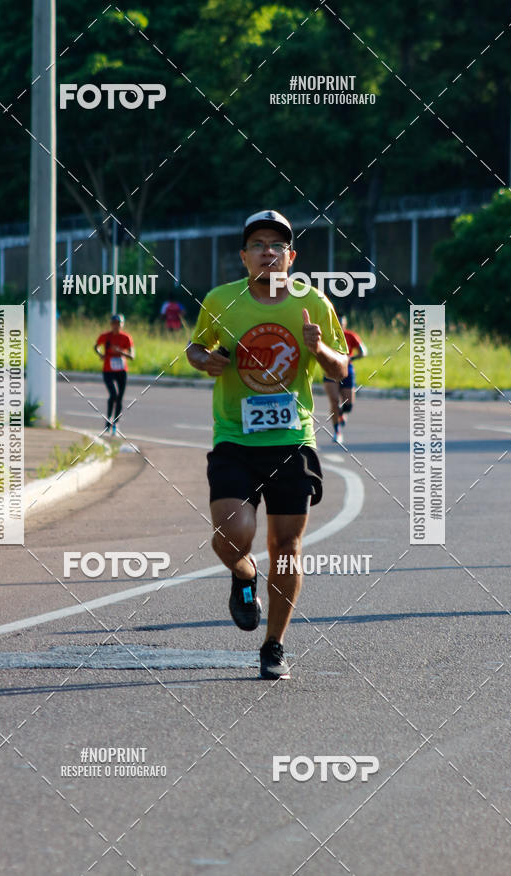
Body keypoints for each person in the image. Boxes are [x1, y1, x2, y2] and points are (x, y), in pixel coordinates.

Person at [186, 210, 348, 680]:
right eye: (258, 243)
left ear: (291, 257)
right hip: (235, 437)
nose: (267, 252)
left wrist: (318, 350)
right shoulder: (221, 300)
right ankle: (243, 576)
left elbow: (341, 368)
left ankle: (274, 645)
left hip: (293, 440)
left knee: (286, 545)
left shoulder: (313, 304)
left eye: (277, 245)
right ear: (243, 256)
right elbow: (196, 347)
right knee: (232, 535)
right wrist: (205, 361)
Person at [323, 315, 367, 445]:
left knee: (348, 405)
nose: (340, 326)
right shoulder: (327, 336)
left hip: (347, 371)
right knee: (334, 401)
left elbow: (363, 351)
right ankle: (337, 432)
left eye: (342, 323)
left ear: (345, 324)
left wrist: (350, 359)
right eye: (338, 323)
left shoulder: (351, 336)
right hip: (331, 372)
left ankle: (341, 413)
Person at [94, 314, 135, 434]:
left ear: (122, 324)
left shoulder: (126, 337)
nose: (116, 326)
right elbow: (96, 346)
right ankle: (108, 421)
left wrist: (121, 352)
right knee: (113, 394)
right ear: (111, 324)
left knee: (120, 398)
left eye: (119, 323)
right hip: (108, 370)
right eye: (114, 323)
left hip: (121, 371)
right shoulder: (105, 336)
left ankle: (115, 423)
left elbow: (132, 356)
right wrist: (100, 354)